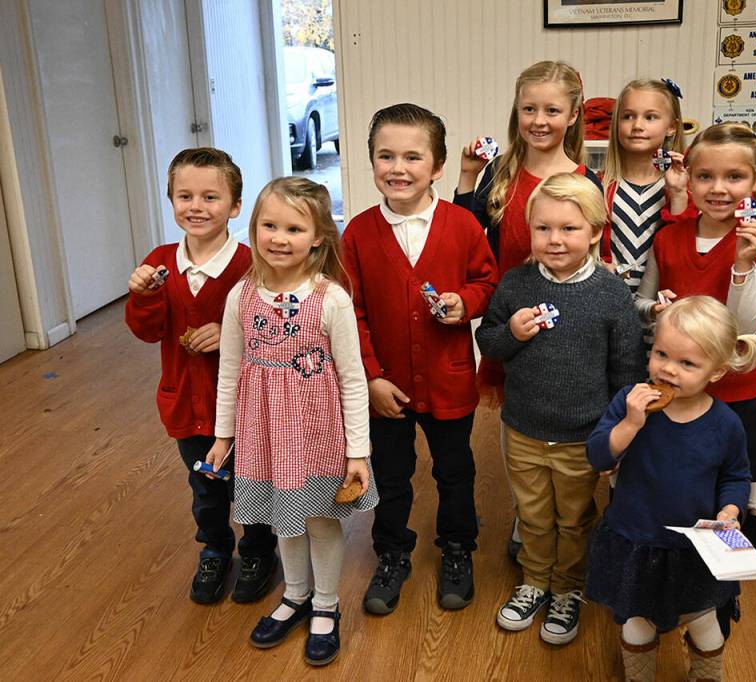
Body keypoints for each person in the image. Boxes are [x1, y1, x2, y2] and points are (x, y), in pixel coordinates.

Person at [207, 177, 376, 666]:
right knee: (285, 519)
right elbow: (231, 371)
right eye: (269, 225)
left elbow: (352, 379)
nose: (279, 238)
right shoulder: (241, 297)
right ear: (254, 228)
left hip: (319, 432)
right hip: (265, 433)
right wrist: (224, 436)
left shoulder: (332, 300)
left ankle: (326, 604)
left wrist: (358, 452)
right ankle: (295, 595)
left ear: (318, 236)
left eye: (294, 228)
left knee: (320, 521)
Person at [342, 103, 498, 616]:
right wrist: (370, 379)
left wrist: (465, 303)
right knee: (391, 474)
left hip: (449, 381)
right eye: (386, 156)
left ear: (436, 166)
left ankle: (457, 548)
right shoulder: (359, 234)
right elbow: (351, 312)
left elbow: (486, 282)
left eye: (413, 156)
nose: (398, 168)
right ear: (371, 162)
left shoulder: (462, 225)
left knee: (455, 470)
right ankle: (392, 552)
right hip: (384, 385)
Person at [476, 172, 645, 646]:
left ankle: (568, 588)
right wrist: (511, 332)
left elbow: (626, 370)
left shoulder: (611, 294)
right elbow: (487, 341)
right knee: (532, 513)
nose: (554, 239)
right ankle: (534, 582)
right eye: (543, 228)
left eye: (569, 229)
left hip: (582, 435)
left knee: (573, 517)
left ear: (595, 232)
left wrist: (620, 434)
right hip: (525, 430)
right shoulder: (515, 284)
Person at [455, 59, 602, 560]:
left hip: (566, 317)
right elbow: (466, 231)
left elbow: (594, 253)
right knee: (516, 411)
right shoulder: (501, 173)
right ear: (516, 112)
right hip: (509, 315)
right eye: (528, 109)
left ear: (574, 114)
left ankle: (571, 516)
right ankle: (527, 510)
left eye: (552, 110)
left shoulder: (587, 180)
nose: (539, 120)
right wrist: (467, 175)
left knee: (559, 404)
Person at [586, 296, 756, 682]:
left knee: (705, 626)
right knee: (636, 624)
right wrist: (630, 425)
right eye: (661, 354)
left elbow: (736, 477)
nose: (668, 370)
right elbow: (598, 457)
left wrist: (730, 511)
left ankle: (706, 676)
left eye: (687, 363)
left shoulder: (725, 424)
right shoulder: (630, 402)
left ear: (716, 372)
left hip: (695, 550)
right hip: (636, 538)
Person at [125, 147, 277, 605]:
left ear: (234, 207)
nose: (196, 206)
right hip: (188, 405)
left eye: (210, 197)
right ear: (170, 200)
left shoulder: (255, 264)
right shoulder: (160, 263)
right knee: (205, 486)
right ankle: (215, 548)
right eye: (184, 195)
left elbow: (280, 332)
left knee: (251, 482)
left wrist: (233, 332)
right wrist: (142, 296)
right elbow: (147, 331)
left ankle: (258, 549)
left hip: (245, 407)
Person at [636, 123, 756, 552]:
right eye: (705, 177)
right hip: (674, 386)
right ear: (689, 179)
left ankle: (732, 545)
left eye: (734, 177)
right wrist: (657, 311)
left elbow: (748, 325)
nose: (718, 189)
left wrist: (742, 265)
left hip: (734, 386)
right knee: (675, 464)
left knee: (733, 471)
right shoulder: (667, 238)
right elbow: (641, 306)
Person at [599, 78, 688, 300]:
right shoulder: (598, 184)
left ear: (671, 127)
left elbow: (682, 245)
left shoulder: (681, 186)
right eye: (628, 116)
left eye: (650, 117)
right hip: (608, 299)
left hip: (663, 300)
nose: (637, 125)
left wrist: (678, 195)